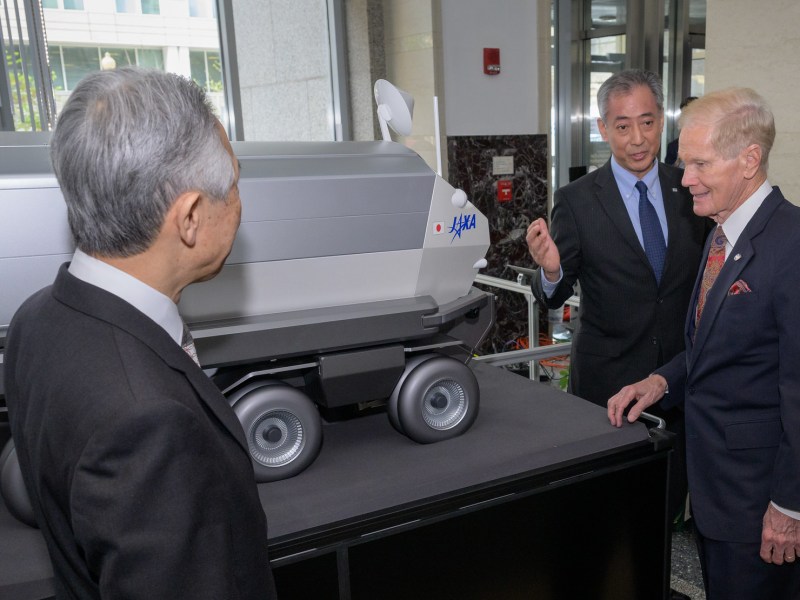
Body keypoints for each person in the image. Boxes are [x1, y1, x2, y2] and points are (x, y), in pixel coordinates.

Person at [4, 67, 277, 598]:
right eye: (235, 183)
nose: (240, 203)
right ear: (191, 217)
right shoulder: (148, 423)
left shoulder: (34, 321)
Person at [608, 88, 800, 599]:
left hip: (761, 504)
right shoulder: (719, 234)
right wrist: (660, 380)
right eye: (681, 162)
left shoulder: (792, 245)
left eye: (698, 164)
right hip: (718, 494)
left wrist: (789, 505)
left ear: (749, 160)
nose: (684, 178)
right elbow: (716, 346)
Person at [665, 96, 698, 167]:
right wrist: (678, 161)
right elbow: (668, 174)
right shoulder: (673, 147)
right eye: (683, 114)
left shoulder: (709, 143)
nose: (686, 118)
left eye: (690, 114)